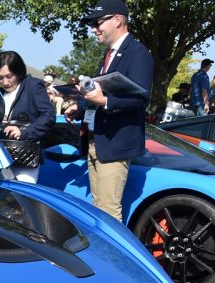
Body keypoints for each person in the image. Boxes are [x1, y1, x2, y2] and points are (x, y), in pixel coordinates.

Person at [65, 0, 153, 222]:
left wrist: (104, 101)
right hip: (97, 141)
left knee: (108, 214)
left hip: (115, 145)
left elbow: (140, 99)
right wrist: (80, 107)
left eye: (97, 23)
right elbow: (99, 92)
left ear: (118, 20)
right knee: (99, 211)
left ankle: (112, 248)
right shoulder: (108, 55)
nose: (93, 29)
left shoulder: (138, 52)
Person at [0, 51, 55, 183]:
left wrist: (24, 132)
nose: (5, 82)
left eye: (9, 76)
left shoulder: (33, 85)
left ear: (19, 72)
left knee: (22, 194)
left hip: (25, 158)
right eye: (0, 78)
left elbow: (48, 116)